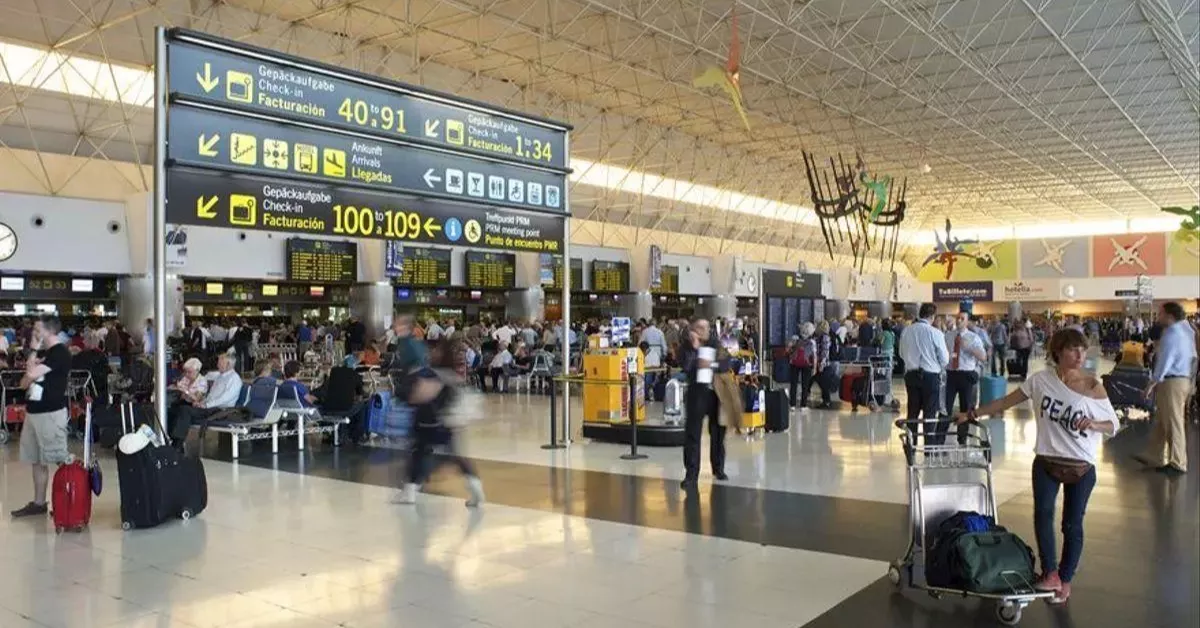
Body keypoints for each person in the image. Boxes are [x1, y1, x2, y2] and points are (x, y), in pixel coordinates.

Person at [954, 328, 1117, 604]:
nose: (1079, 355)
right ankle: (1050, 573)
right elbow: (1007, 401)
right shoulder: (1040, 381)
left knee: (1072, 524)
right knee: (1043, 516)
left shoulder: (1092, 386)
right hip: (1046, 460)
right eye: (1072, 350)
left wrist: (1094, 423)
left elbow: (1113, 425)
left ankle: (1065, 579)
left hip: (1081, 466)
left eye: (1082, 349)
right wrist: (971, 414)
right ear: (1058, 352)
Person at [394, 340, 485, 507]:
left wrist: (410, 396)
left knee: (418, 453)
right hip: (447, 423)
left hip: (428, 422)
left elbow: (419, 396)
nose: (430, 353)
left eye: (434, 350)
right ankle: (475, 487)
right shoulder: (453, 375)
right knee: (454, 456)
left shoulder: (432, 373)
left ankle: (410, 492)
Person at [10, 315, 72, 518]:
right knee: (36, 460)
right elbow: (23, 383)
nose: (34, 334)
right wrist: (33, 362)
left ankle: (70, 502)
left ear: (48, 331)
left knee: (59, 458)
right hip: (34, 412)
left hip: (50, 413)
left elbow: (30, 375)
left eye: (37, 329)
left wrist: (34, 352)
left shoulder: (60, 353)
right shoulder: (47, 354)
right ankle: (39, 503)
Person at [1135, 302, 1196, 474]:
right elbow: (1193, 357)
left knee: (1173, 422)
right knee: (1163, 419)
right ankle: (1154, 454)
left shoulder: (1170, 334)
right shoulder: (1187, 331)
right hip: (1182, 379)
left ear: (1169, 316)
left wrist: (1151, 384)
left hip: (1172, 382)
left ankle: (1178, 462)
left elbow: (1164, 362)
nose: (1158, 317)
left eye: (1160, 314)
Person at [678, 318, 727, 489]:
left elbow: (725, 364)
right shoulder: (687, 346)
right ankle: (691, 474)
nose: (704, 330)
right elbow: (685, 365)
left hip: (716, 394)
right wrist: (696, 348)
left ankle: (718, 467)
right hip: (696, 394)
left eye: (706, 327)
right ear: (693, 329)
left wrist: (711, 364)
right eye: (700, 327)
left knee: (718, 433)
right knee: (692, 434)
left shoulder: (716, 344)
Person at [898, 303, 949, 444]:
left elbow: (901, 354)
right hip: (930, 376)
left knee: (912, 412)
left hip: (911, 375)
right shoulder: (935, 333)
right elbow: (945, 359)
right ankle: (929, 447)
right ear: (933, 316)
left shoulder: (906, 331)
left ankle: (911, 444)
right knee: (930, 412)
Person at [168, 354, 242, 446]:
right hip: (210, 407)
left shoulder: (234, 379)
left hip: (220, 409)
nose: (217, 365)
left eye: (220, 363)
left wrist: (206, 405)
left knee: (185, 410)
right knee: (173, 410)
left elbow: (224, 399)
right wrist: (201, 403)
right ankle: (168, 439)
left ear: (228, 365)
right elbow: (210, 392)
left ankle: (177, 444)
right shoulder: (220, 376)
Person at [943, 312, 987, 443]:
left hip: (966, 374)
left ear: (967, 322)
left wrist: (969, 348)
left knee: (965, 407)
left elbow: (983, 356)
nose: (959, 321)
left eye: (963, 319)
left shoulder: (974, 338)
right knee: (945, 407)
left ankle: (962, 438)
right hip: (950, 374)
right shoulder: (948, 336)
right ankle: (940, 437)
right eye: (958, 318)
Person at [790, 325, 817, 411]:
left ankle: (792, 405)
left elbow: (789, 349)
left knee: (793, 384)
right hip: (806, 364)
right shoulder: (812, 342)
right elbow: (814, 356)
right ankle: (803, 405)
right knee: (805, 385)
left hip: (794, 364)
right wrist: (814, 368)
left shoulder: (795, 338)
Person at [812, 320, 836, 409]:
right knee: (821, 382)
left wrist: (821, 364)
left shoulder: (825, 337)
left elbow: (825, 352)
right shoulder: (820, 337)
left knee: (823, 383)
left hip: (823, 364)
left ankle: (826, 401)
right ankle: (825, 401)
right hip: (820, 363)